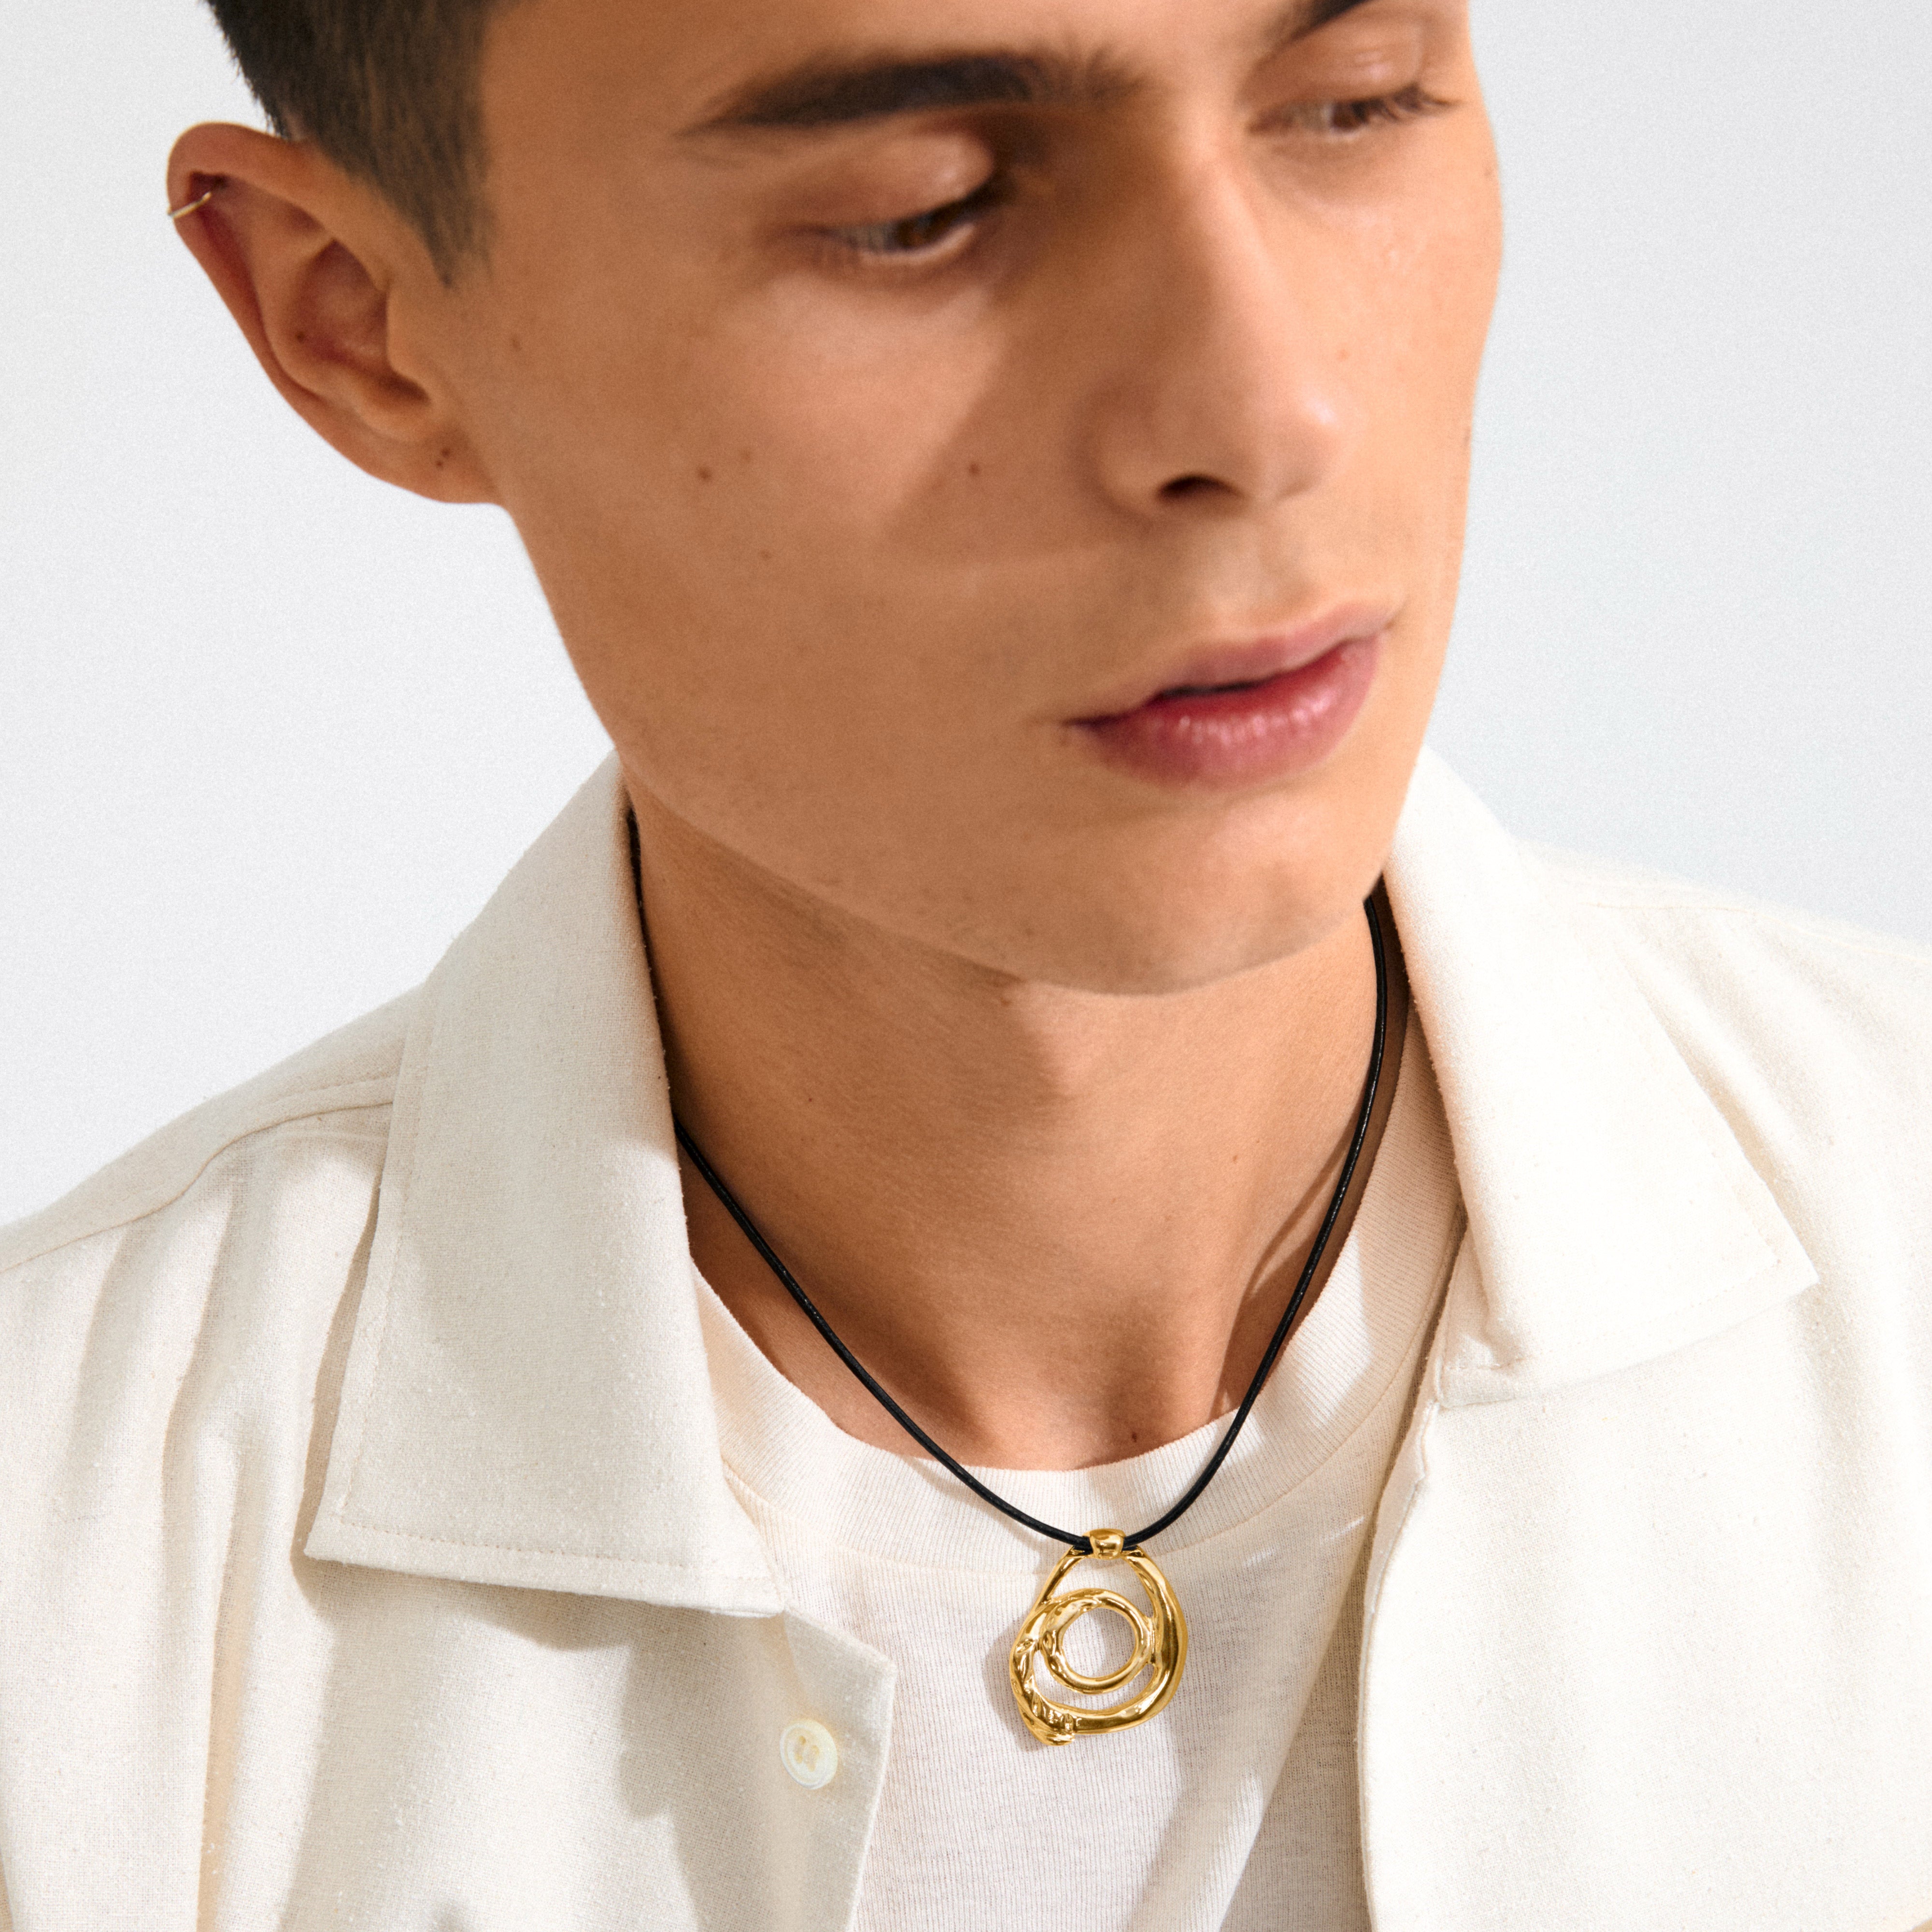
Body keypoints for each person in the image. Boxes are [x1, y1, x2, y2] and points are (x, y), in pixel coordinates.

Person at [2, 0, 1929, 1923]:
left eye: (1352, 105)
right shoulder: (62, 1606)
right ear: (354, 320)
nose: (1268, 414)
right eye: (921, 211)